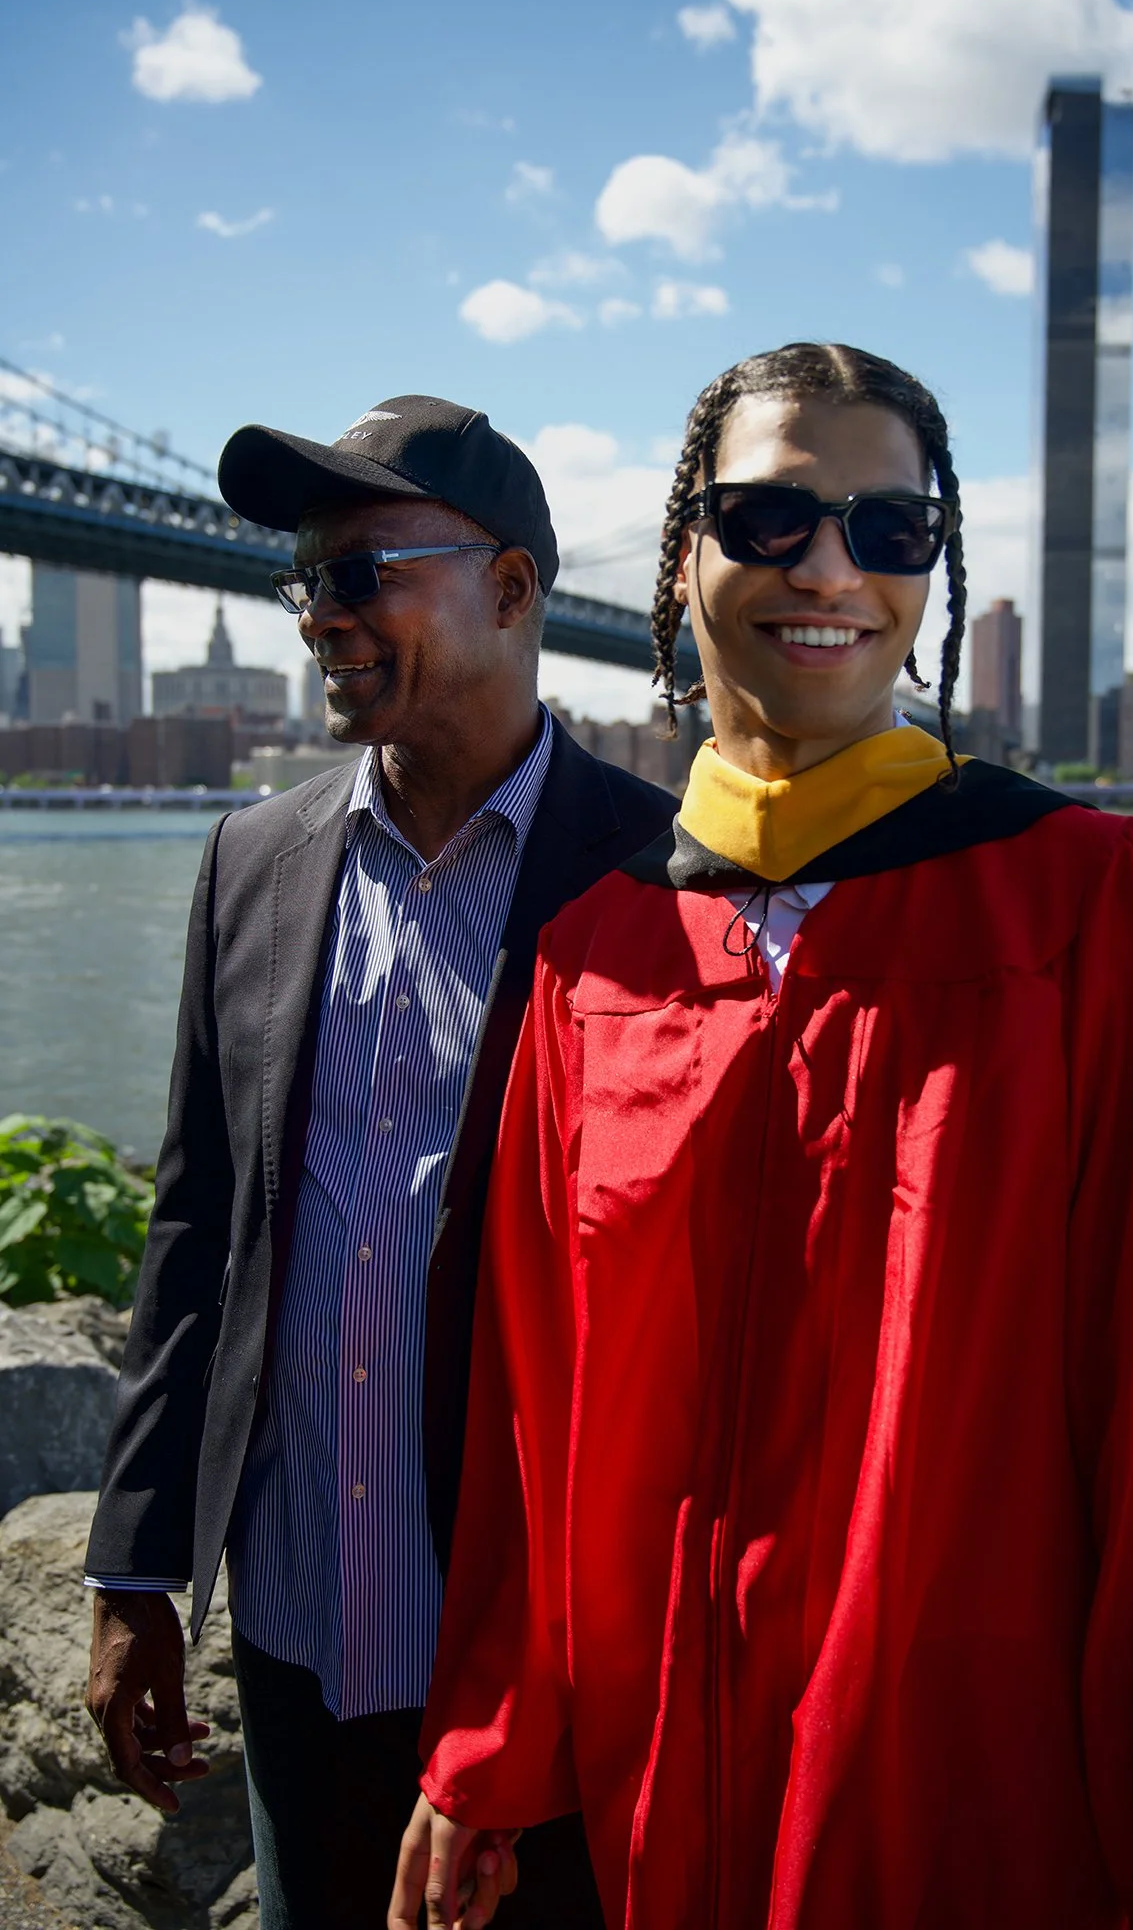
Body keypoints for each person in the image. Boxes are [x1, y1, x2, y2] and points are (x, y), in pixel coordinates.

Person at [394, 344, 1133, 1930]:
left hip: (970, 1762)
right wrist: (489, 1746)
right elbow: (530, 1416)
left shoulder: (1085, 904)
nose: (828, 568)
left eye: (892, 530)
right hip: (663, 1773)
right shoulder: (591, 960)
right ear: (681, 552)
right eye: (768, 519)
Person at [82, 393, 676, 1930]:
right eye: (308, 584)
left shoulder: (670, 881)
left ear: (516, 588)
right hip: (291, 1645)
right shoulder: (251, 856)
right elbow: (198, 1218)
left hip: (543, 1669)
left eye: (364, 575)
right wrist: (135, 1569)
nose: (321, 619)